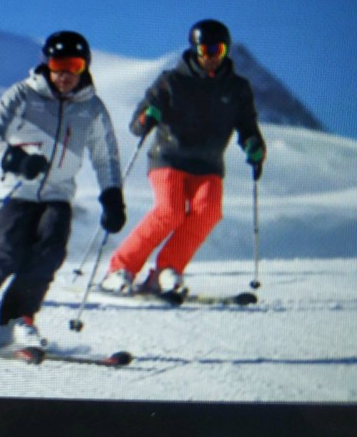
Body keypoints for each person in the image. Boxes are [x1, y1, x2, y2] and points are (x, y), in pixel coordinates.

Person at [0, 31, 126, 348]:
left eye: (72, 65)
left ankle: (14, 321)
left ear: (84, 67)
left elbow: (106, 158)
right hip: (14, 191)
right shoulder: (22, 95)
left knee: (48, 255)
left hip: (58, 195)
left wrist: (112, 195)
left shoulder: (92, 108)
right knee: (3, 254)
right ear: (47, 63)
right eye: (58, 64)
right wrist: (15, 159)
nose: (64, 74)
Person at [99, 19, 266, 296]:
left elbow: (248, 126)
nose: (211, 57)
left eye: (218, 50)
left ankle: (166, 271)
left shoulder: (237, 88)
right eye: (206, 50)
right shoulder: (171, 81)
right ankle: (120, 269)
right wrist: (147, 116)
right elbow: (136, 125)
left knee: (208, 212)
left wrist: (254, 145)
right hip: (169, 157)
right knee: (170, 211)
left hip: (208, 164)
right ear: (195, 49)